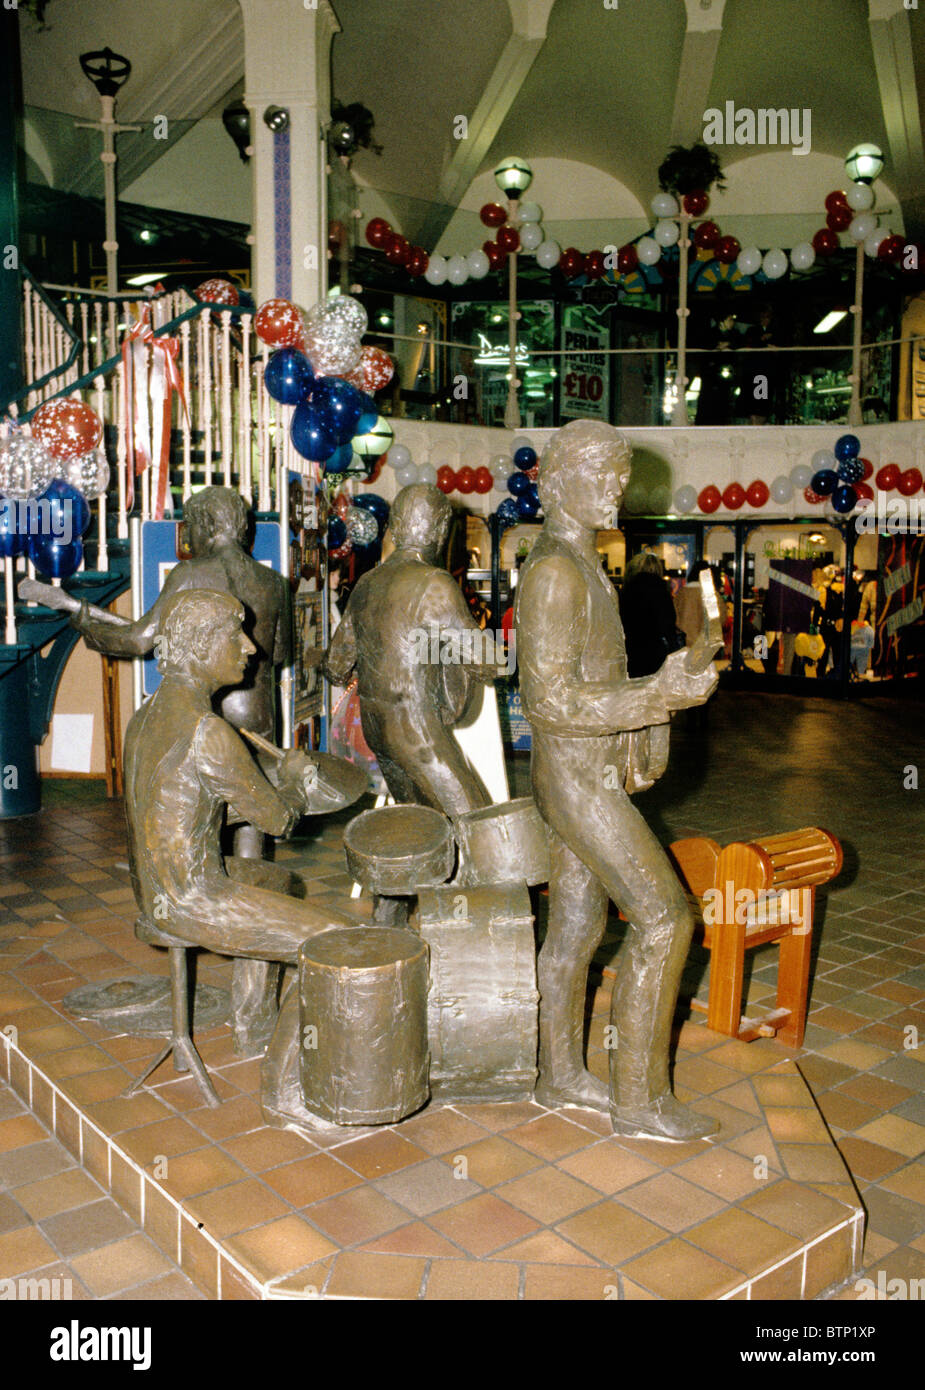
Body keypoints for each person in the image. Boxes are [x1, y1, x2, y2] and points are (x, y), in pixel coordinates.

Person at [514, 420, 719, 1142]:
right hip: (577, 780)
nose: (616, 491)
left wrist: (659, 684)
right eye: (601, 475)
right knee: (667, 918)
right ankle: (637, 1097)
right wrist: (657, 696)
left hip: (581, 771)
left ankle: (558, 1072)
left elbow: (590, 680)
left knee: (574, 925)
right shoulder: (554, 574)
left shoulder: (578, 560)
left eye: (620, 477)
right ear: (558, 479)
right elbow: (550, 703)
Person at [122, 588, 360, 1134]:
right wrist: (296, 780)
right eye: (236, 634)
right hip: (193, 898)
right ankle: (285, 1094)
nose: (250, 647)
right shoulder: (210, 732)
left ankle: (254, 1027)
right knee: (331, 941)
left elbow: (179, 811)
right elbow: (279, 821)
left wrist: (256, 787)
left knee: (276, 883)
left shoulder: (149, 715)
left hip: (156, 888)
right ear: (202, 645)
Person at [71, 486, 292, 1053]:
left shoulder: (191, 577)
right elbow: (282, 654)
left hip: (205, 718)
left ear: (200, 524)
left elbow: (142, 638)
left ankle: (206, 917)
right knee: (253, 851)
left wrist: (89, 627)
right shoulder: (273, 583)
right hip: (256, 717)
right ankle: (252, 1019)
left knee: (194, 835)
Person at [323, 483, 498, 817]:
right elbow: (485, 663)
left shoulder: (367, 583)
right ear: (442, 529)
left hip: (376, 727)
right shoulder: (435, 582)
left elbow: (335, 666)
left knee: (420, 827)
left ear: (395, 528)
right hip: (416, 730)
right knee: (476, 822)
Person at [619, 551, 681, 677]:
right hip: (655, 650)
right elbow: (668, 623)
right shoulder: (661, 591)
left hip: (630, 649)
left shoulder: (626, 590)